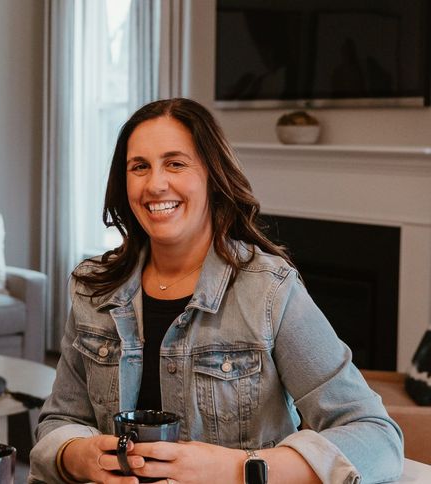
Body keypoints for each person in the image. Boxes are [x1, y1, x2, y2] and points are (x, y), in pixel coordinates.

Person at [29, 98, 403, 484]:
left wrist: (237, 469)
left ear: (212, 175)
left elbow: (377, 438)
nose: (155, 184)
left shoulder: (269, 291)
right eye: (139, 167)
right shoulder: (94, 289)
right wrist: (78, 456)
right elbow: (60, 420)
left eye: (175, 163)